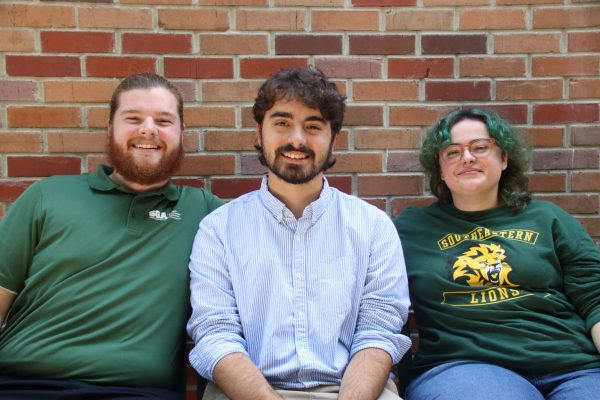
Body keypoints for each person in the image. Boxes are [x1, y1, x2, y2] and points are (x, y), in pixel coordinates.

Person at [186, 67, 411, 400]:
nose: (297, 139)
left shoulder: (373, 227)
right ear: (259, 134)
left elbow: (378, 333)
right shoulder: (219, 230)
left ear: (334, 139)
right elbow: (216, 335)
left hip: (353, 391)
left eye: (313, 126)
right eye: (281, 123)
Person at [0, 73, 223, 399]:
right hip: (20, 385)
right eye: (133, 118)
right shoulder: (47, 197)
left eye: (163, 120)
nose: (148, 128)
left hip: (135, 392)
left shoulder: (204, 212)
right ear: (110, 129)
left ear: (181, 134)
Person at [394, 107, 600, 400]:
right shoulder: (410, 229)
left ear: (504, 158)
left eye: (480, 147)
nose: (467, 157)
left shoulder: (548, 219)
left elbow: (594, 298)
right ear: (439, 168)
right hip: (466, 368)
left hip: (575, 367)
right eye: (452, 153)